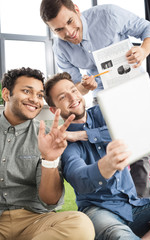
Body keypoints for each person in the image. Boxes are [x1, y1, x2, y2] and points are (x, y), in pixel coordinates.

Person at [40, 0, 150, 198]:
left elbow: (149, 28)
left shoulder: (108, 15)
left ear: (76, 10)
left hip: (133, 89)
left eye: (70, 21)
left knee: (138, 150)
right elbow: (75, 89)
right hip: (103, 98)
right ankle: (112, 198)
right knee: (106, 143)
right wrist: (84, 87)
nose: (68, 32)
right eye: (59, 29)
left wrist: (144, 50)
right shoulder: (60, 49)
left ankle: (141, 201)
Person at [44, 72, 150, 240]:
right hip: (99, 211)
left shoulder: (102, 113)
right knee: (118, 235)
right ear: (55, 110)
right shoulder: (65, 145)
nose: (72, 97)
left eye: (73, 90)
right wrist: (107, 165)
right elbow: (80, 179)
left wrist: (83, 134)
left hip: (133, 206)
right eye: (63, 97)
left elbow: (129, 127)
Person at [0, 67, 95, 240]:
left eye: (39, 95)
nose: (34, 99)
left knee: (80, 224)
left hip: (35, 221)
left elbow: (50, 201)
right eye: (26, 91)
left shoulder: (45, 137)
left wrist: (49, 160)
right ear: (6, 94)